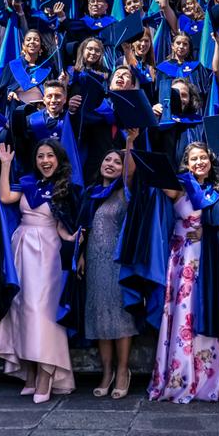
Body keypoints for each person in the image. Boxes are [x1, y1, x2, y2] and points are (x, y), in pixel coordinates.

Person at [149, 143, 219, 403]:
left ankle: (210, 382)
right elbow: (153, 178)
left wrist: (207, 231)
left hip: (211, 259)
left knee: (207, 309)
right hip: (184, 260)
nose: (199, 162)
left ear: (210, 162)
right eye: (194, 159)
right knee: (185, 312)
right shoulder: (180, 186)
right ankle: (183, 379)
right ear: (186, 163)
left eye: (203, 158)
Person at [0, 141, 80, 403]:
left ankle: (47, 370)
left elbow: (63, 224)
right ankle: (29, 368)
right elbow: (5, 197)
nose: (45, 160)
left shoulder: (65, 188)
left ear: (59, 159)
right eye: (40, 156)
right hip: (21, 247)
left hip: (47, 251)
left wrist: (72, 237)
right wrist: (5, 165)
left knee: (41, 310)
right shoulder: (28, 183)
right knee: (20, 307)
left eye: (50, 155)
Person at [79, 141, 141, 399]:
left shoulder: (125, 192)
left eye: (117, 162)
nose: (111, 164)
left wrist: (129, 142)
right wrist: (81, 255)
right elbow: (85, 228)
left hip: (117, 263)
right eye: (108, 160)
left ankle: (123, 371)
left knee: (120, 316)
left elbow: (130, 172)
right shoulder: (91, 193)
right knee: (99, 317)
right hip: (95, 262)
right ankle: (107, 372)